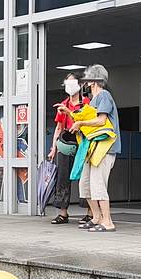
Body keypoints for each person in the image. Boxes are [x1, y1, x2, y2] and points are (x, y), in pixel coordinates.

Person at [59, 64, 120, 232]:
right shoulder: (94, 100)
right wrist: (70, 114)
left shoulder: (104, 96)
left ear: (93, 81)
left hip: (104, 148)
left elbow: (101, 121)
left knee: (98, 184)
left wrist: (80, 122)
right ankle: (96, 217)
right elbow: (87, 120)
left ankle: (107, 221)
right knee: (85, 184)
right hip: (92, 149)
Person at [47, 74, 91, 225]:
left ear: (79, 85)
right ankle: (62, 213)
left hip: (82, 142)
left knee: (85, 177)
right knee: (62, 177)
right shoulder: (63, 104)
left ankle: (90, 213)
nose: (69, 85)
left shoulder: (86, 103)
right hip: (65, 143)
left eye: (72, 82)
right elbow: (58, 128)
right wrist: (53, 148)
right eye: (67, 82)